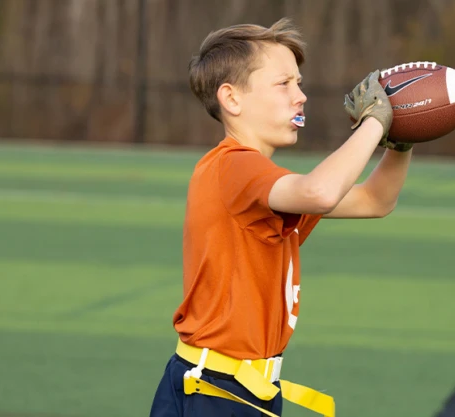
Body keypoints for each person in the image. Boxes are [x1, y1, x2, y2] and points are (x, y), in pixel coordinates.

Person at [149, 17, 413, 417]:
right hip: (217, 390)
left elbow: (375, 200)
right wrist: (375, 120)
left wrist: (401, 140)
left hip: (240, 387)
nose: (300, 96)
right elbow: (321, 192)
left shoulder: (262, 182)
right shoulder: (234, 167)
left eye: (299, 83)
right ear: (231, 99)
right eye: (284, 84)